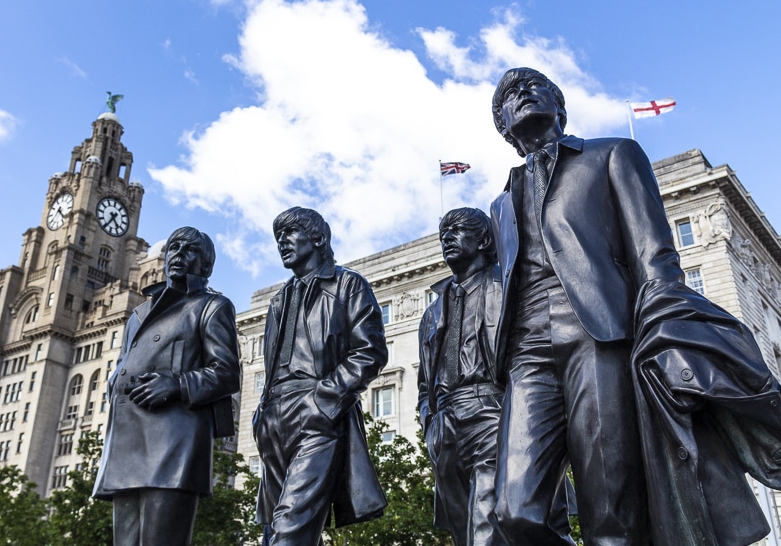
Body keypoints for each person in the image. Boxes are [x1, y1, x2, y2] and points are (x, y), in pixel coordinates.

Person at [489, 67, 781, 546]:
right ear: (503, 126)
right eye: (507, 96)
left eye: (531, 86)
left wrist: (668, 329)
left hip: (599, 335)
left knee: (611, 510)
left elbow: (654, 252)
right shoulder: (501, 204)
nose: (520, 94)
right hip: (528, 352)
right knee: (514, 510)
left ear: (559, 106)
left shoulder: (612, 154)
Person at [93, 227, 241, 546]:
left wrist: (176, 385)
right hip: (127, 445)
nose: (178, 255)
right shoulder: (138, 314)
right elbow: (123, 365)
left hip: (174, 447)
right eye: (173, 248)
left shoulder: (212, 306)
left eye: (189, 251)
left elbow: (227, 373)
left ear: (205, 266)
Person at [254, 206, 388, 546]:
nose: (282, 242)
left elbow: (369, 351)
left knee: (291, 529)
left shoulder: (348, 284)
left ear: (318, 237)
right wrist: (261, 413)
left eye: (290, 233)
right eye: (277, 237)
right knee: (273, 531)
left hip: (316, 410)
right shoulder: (278, 300)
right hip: (273, 419)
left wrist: (324, 399)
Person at [417, 208, 513, 546]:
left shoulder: (508, 284)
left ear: (484, 239)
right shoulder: (431, 313)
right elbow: (424, 383)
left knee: (486, 523)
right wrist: (429, 421)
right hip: (444, 425)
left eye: (456, 231)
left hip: (493, 408)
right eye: (443, 234)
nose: (446, 239)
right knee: (465, 532)